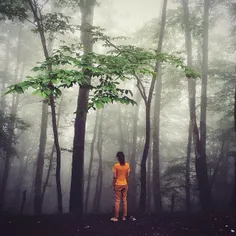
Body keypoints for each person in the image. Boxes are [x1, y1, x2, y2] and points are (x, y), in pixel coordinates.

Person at [110, 151, 130, 222]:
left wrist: (113, 185)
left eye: (117, 157)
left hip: (118, 184)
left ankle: (116, 217)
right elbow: (127, 176)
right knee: (124, 200)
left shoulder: (116, 166)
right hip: (125, 184)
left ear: (118, 157)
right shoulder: (127, 165)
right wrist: (127, 183)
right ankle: (124, 217)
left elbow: (114, 177)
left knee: (117, 201)